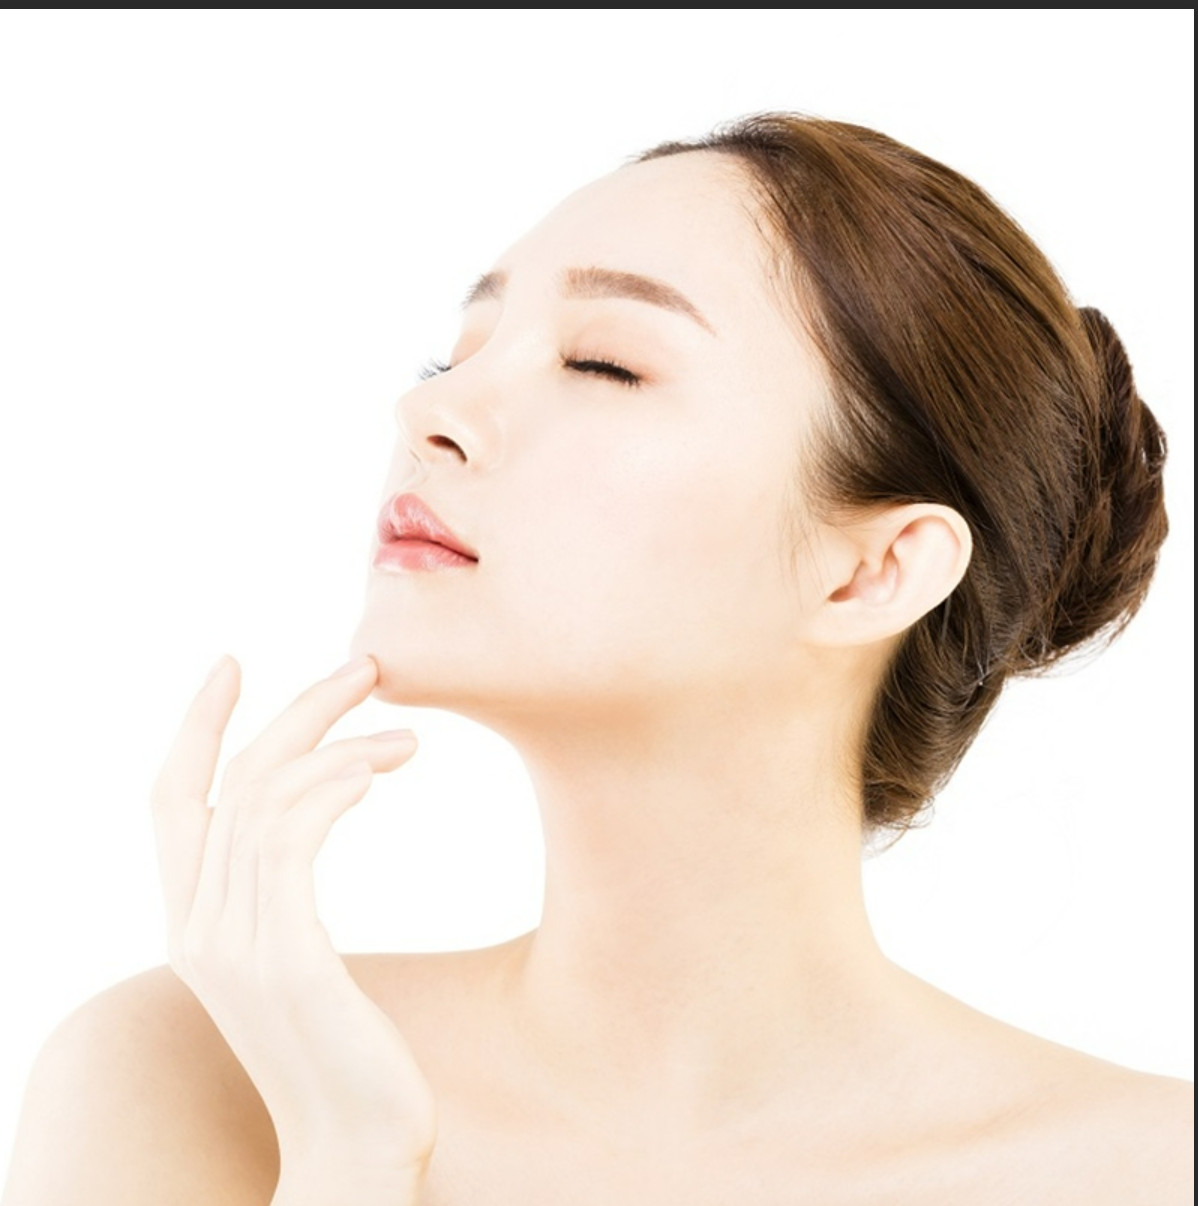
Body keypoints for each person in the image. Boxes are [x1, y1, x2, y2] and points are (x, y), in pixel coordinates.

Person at [1, 113, 1190, 1206]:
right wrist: (346, 1155)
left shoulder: (1140, 1172)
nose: (428, 414)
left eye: (603, 364)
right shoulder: (188, 1078)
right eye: (452, 358)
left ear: (871, 572)